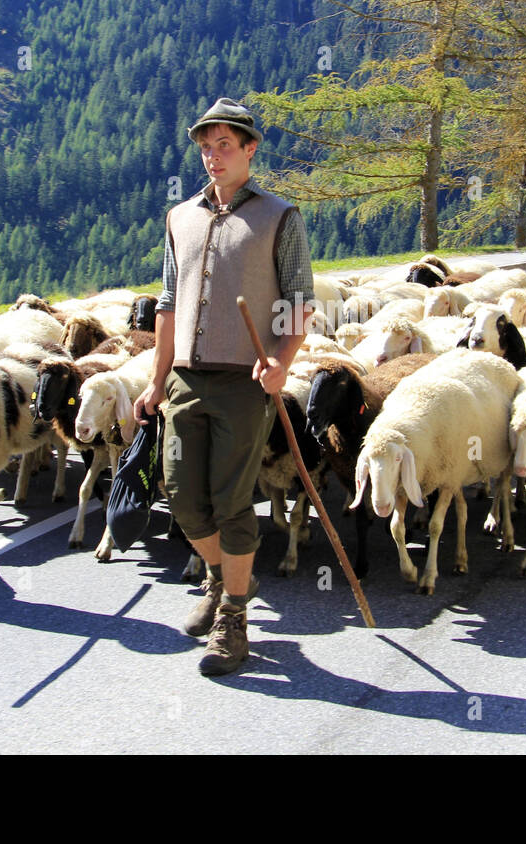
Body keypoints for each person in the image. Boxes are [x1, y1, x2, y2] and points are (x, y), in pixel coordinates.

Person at [133, 98, 315, 676]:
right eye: (206, 147)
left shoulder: (280, 217)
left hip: (243, 381)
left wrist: (282, 362)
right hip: (185, 378)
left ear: (249, 149)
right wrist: (156, 380)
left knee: (231, 500)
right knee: (182, 495)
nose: (214, 156)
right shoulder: (179, 217)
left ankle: (233, 618)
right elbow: (167, 303)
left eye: (225, 146)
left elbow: (298, 302)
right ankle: (221, 576)